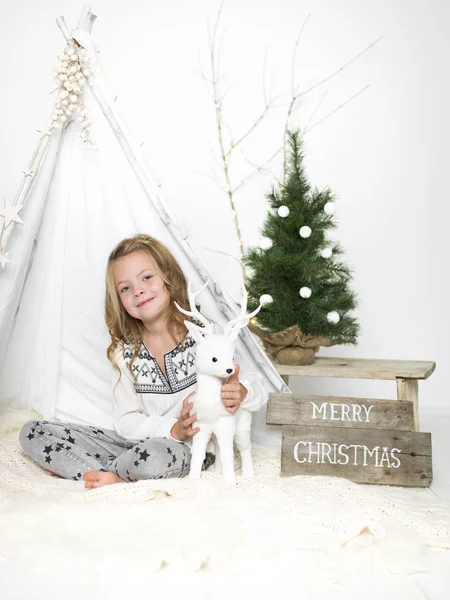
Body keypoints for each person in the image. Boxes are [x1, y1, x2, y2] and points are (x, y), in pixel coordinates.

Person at [19, 234, 267, 489]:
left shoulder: (206, 338)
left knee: (155, 456)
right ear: (119, 301)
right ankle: (107, 472)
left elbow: (257, 388)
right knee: (33, 431)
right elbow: (126, 422)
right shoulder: (124, 353)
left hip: (189, 449)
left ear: (168, 278)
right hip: (137, 443)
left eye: (147, 278)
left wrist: (243, 392)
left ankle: (99, 472)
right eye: (125, 288)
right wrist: (173, 428)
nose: (137, 290)